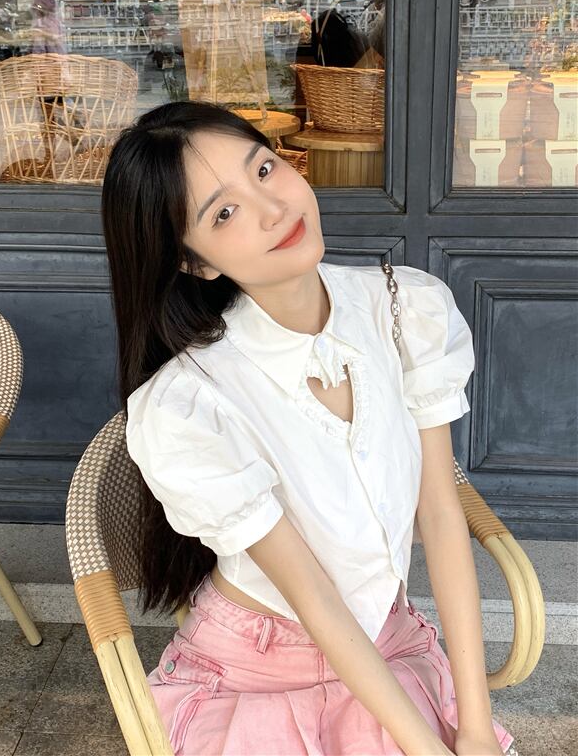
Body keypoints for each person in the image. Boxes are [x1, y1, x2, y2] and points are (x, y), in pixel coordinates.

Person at [101, 100, 518, 756]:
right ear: (195, 262)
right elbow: (315, 599)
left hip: (386, 640)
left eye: (264, 169)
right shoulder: (191, 404)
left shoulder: (404, 309)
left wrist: (474, 726)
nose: (273, 209)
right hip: (257, 674)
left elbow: (440, 513)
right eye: (224, 213)